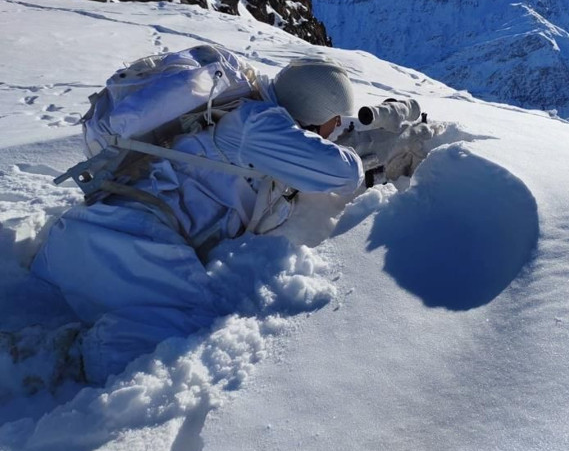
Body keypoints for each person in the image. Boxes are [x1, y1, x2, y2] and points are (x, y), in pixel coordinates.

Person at [27, 56, 364, 385]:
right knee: (197, 338)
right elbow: (344, 173)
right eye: (336, 121)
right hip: (129, 248)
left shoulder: (241, 111)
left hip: (91, 237)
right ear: (319, 111)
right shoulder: (256, 124)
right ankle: (49, 360)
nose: (336, 131)